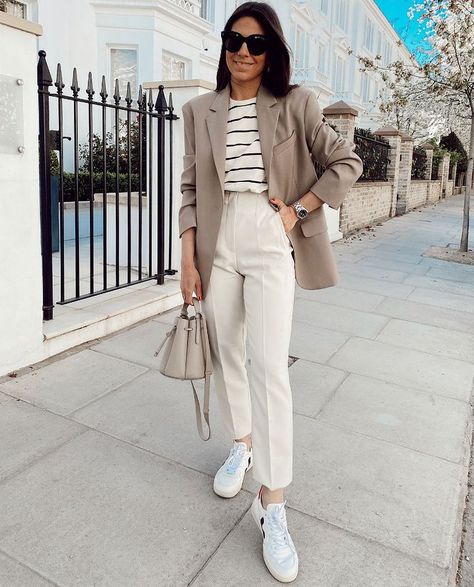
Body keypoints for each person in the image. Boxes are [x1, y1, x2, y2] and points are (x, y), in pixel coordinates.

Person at [178, 2, 363, 582]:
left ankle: (273, 505)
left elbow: (345, 162)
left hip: (268, 233)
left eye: (256, 44)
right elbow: (189, 186)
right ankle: (242, 442)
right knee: (228, 353)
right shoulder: (199, 110)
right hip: (216, 239)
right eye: (235, 39)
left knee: (269, 369)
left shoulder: (298, 103)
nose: (243, 51)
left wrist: (300, 209)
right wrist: (188, 258)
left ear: (273, 51)